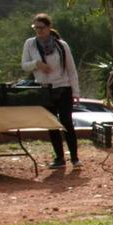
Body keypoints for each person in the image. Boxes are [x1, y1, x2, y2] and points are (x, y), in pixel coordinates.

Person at [21, 13, 82, 167]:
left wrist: (76, 92)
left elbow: (71, 70)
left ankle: (74, 157)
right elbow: (24, 65)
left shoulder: (62, 45)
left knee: (66, 122)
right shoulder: (30, 44)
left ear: (48, 28)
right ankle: (59, 158)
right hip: (44, 88)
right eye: (36, 28)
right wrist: (36, 64)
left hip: (63, 86)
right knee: (52, 123)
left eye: (41, 28)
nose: (38, 31)